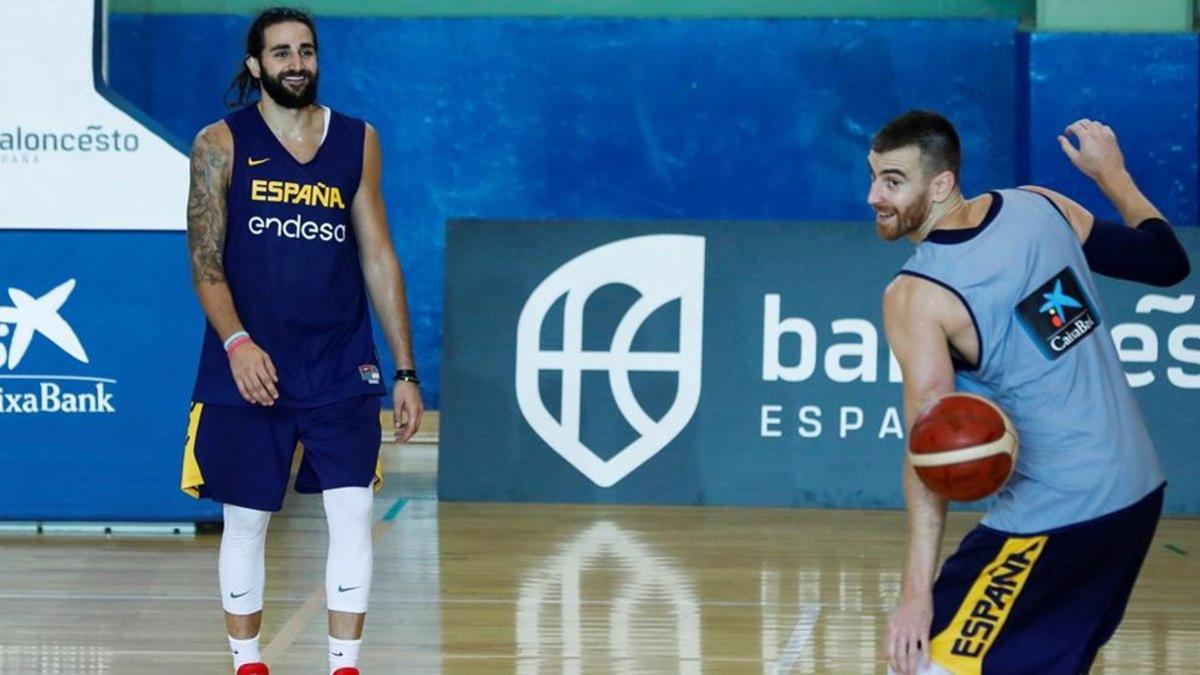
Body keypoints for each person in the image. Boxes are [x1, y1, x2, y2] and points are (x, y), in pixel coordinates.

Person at [869, 110, 1189, 674]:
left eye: (893, 180)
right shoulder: (1039, 204)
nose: (875, 195)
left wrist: (916, 595)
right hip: (1137, 494)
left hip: (1062, 513)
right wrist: (1111, 175)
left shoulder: (916, 295)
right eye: (873, 177)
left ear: (941, 184)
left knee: (925, 664)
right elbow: (1165, 260)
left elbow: (927, 450)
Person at [179, 7, 423, 675]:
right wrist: (236, 343)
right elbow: (205, 260)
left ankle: (345, 664)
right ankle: (247, 661)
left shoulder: (357, 140)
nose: (297, 63)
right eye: (281, 52)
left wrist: (404, 370)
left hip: (341, 362)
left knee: (352, 510)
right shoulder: (220, 143)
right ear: (256, 65)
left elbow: (378, 256)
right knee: (248, 519)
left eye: (306, 51)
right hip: (249, 364)